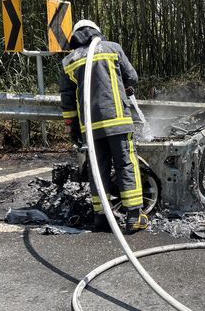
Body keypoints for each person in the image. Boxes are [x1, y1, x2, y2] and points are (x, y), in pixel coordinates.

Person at [59, 19, 148, 233]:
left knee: (98, 170)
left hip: (90, 128)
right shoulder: (112, 48)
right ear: (97, 32)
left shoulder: (68, 61)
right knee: (126, 165)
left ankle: (101, 218)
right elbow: (132, 77)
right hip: (118, 122)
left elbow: (68, 99)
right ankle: (134, 217)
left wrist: (72, 128)